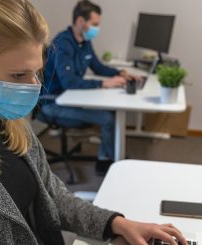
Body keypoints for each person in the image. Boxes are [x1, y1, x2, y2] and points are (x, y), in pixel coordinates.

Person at [0, 0, 187, 244]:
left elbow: (53, 197)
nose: (34, 86)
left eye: (36, 72)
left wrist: (117, 224)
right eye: (18, 75)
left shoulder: (11, 124)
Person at [43, 0, 140, 176]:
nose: (97, 28)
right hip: (54, 103)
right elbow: (69, 83)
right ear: (81, 21)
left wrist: (121, 73)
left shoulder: (84, 41)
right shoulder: (63, 44)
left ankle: (106, 158)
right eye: (95, 24)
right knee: (108, 119)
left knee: (110, 114)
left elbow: (98, 67)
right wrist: (103, 83)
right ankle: (109, 163)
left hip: (72, 99)